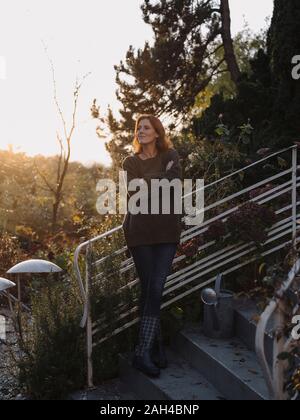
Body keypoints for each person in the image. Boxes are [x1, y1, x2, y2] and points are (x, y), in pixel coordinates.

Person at [121, 114, 183, 377]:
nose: (141, 131)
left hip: (168, 233)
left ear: (157, 132)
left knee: (155, 288)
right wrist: (161, 179)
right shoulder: (130, 161)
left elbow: (176, 183)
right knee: (150, 289)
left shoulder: (171, 155)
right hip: (140, 234)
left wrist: (152, 181)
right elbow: (134, 193)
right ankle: (148, 350)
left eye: (147, 128)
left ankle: (146, 349)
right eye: (138, 128)